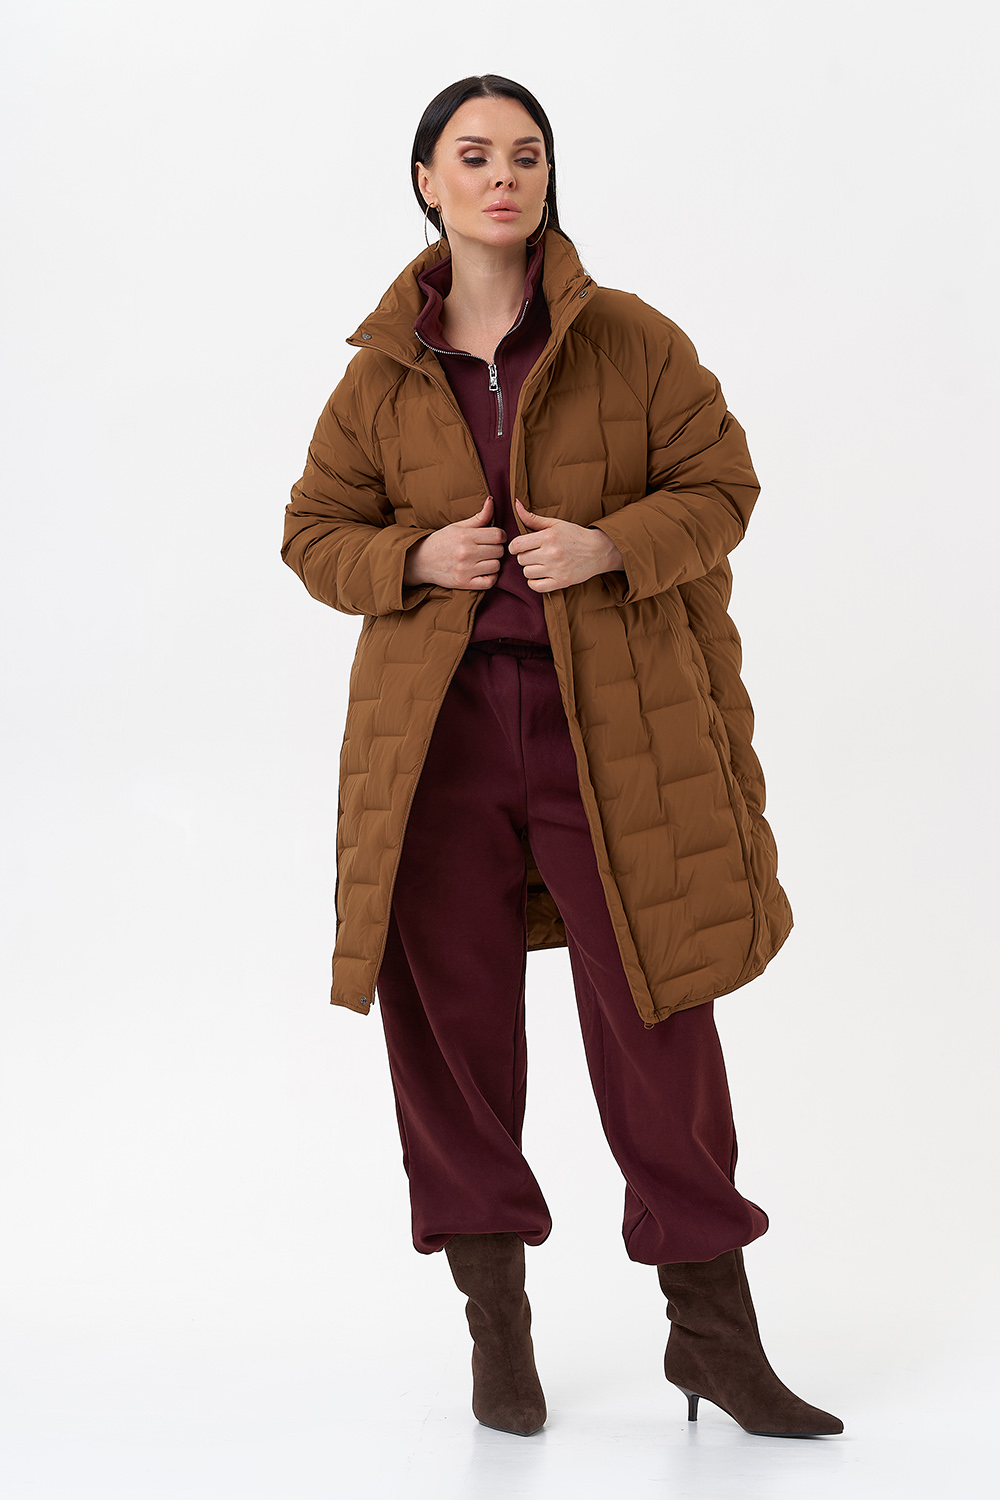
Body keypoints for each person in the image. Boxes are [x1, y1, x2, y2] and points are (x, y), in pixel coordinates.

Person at [282, 74, 843, 1442]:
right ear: (427, 181)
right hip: (440, 741)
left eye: (526, 155)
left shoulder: (632, 341)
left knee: (659, 1021)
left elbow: (723, 486)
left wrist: (610, 546)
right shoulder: (379, 375)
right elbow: (311, 533)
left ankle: (714, 1337)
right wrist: (411, 558)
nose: (503, 177)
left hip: (617, 732)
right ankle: (499, 1333)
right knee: (452, 1031)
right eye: (474, 155)